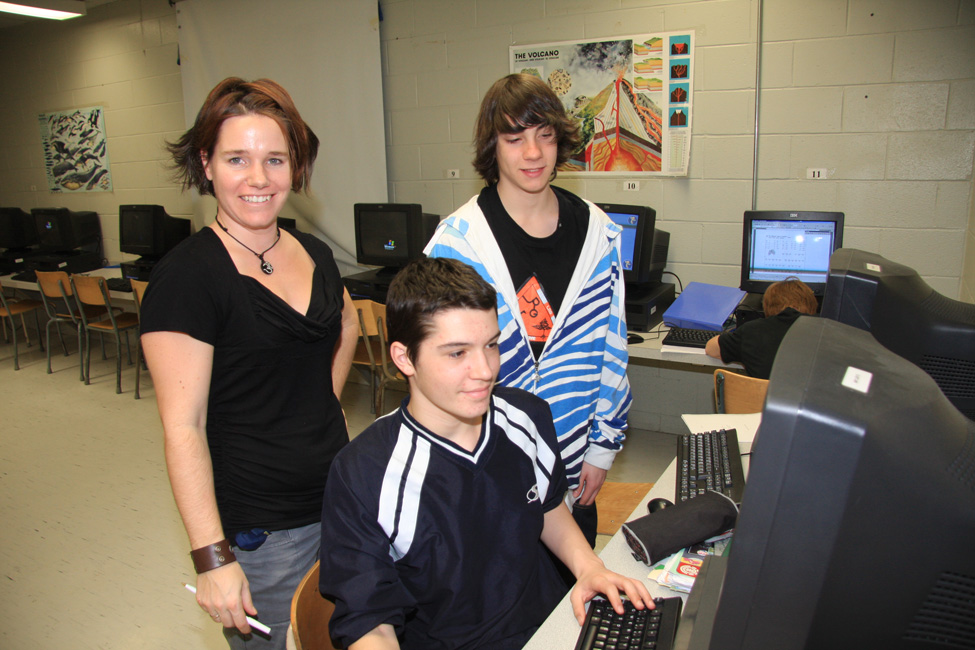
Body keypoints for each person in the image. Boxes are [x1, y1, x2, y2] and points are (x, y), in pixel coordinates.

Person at [319, 257, 652, 649]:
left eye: (491, 345)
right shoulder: (363, 471)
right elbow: (369, 622)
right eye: (457, 353)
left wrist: (589, 566)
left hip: (553, 628)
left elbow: (546, 506)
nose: (485, 370)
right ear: (404, 358)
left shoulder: (527, 416)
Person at [140, 77, 359, 650]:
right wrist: (213, 559)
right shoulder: (187, 277)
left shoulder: (313, 252)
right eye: (237, 158)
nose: (258, 179)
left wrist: (318, 406)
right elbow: (182, 428)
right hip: (263, 535)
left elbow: (346, 327)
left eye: (275, 160)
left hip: (341, 505)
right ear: (207, 164)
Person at [423, 73, 631, 545]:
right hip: (488, 466)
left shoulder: (598, 234)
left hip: (575, 465)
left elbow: (613, 349)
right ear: (492, 147)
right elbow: (437, 371)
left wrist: (601, 450)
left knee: (569, 603)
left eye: (544, 136)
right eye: (514, 139)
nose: (533, 153)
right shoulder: (459, 244)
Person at [704, 277, 818, 379]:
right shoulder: (826, 332)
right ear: (811, 305)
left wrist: (744, 353)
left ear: (767, 307)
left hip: (760, 401)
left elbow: (711, 348)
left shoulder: (752, 330)